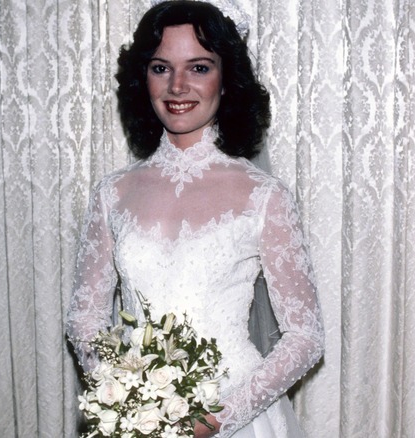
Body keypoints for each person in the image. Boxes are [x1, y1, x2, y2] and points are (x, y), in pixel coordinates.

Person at [65, 1, 325, 436]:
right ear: (142, 78)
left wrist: (212, 420)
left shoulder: (264, 196)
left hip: (233, 415)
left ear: (227, 80)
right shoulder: (113, 193)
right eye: (161, 68)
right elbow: (84, 318)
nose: (178, 85)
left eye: (199, 68)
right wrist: (122, 396)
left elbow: (305, 337)